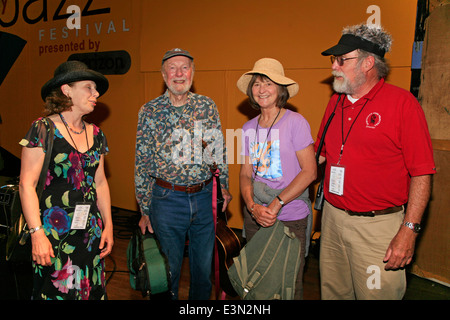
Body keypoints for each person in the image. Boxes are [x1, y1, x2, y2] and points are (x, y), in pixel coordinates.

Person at [316, 24, 436, 300]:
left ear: (368, 62)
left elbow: (422, 173)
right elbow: (320, 154)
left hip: (377, 228)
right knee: (333, 294)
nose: (334, 66)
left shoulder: (402, 104)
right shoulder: (335, 103)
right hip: (333, 219)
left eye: (341, 60)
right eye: (334, 60)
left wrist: (409, 231)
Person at [135, 48, 232, 300]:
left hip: (204, 197)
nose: (179, 73)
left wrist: (223, 187)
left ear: (192, 72)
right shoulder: (149, 111)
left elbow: (217, 151)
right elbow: (142, 161)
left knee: (203, 272)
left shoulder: (206, 106)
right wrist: (145, 209)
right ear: (163, 74)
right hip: (166, 200)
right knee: (168, 272)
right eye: (173, 68)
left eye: (185, 67)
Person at [19, 60, 113, 300]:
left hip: (89, 233)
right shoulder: (42, 129)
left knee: (90, 292)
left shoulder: (97, 133)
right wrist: (37, 234)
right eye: (89, 87)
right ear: (66, 90)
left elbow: (100, 183)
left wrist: (108, 226)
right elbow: (26, 185)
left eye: (96, 89)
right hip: (53, 236)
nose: (96, 94)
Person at [238, 58, 317, 299]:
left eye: (268, 83)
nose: (262, 89)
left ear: (280, 89)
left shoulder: (296, 122)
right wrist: (252, 206)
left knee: (287, 284)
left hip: (289, 218)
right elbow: (245, 173)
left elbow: (310, 172)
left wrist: (275, 205)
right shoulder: (248, 128)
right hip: (256, 218)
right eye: (257, 84)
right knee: (256, 282)